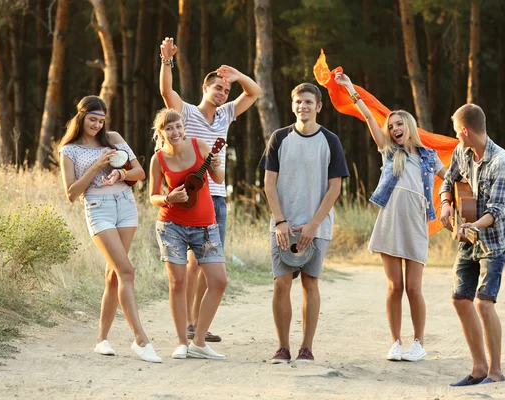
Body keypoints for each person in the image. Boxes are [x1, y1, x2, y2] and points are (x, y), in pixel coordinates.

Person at [334, 72, 447, 362]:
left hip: (416, 225)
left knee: (413, 288)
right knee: (394, 286)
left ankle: (418, 343)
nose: (394, 128)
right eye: (391, 125)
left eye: (399, 124)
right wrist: (350, 89)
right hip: (390, 222)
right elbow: (370, 118)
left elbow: (448, 179)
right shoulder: (389, 151)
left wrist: (454, 197)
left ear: (408, 126)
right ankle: (396, 342)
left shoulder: (428, 156)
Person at [159, 37, 261, 343]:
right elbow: (166, 91)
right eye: (218, 87)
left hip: (218, 197)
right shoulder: (186, 113)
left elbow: (255, 92)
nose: (223, 92)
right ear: (206, 88)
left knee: (207, 264)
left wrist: (237, 75)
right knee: (193, 263)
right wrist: (167, 60)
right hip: (192, 199)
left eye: (226, 90)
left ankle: (197, 323)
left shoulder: (227, 114)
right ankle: (189, 322)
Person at [58, 95, 161, 363]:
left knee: (114, 277)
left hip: (125, 206)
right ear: (81, 117)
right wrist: (96, 166)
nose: (97, 125)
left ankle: (102, 340)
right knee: (126, 270)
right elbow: (71, 193)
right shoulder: (68, 150)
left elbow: (139, 172)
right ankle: (141, 339)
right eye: (93, 119)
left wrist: (120, 174)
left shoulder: (113, 137)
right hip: (97, 208)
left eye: (101, 120)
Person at [259, 83, 349, 364]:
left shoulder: (331, 140)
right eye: (298, 101)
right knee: (281, 284)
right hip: (284, 225)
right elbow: (269, 184)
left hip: (316, 227)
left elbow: (334, 188)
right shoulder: (279, 138)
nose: (303, 106)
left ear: (318, 106)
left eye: (309, 102)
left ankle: (306, 348)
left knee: (310, 283)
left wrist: (313, 225)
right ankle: (283, 348)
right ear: (292, 105)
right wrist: (281, 221)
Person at [440, 104, 505, 386]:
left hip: (496, 240)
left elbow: (496, 212)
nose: (456, 137)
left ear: (465, 130)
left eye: (455, 132)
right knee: (460, 300)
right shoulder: (463, 151)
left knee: (484, 304)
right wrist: (447, 204)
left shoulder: (502, 163)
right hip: (469, 234)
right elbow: (449, 180)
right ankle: (478, 369)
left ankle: (496, 373)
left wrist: (472, 224)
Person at [149, 108, 228, 360]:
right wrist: (168, 197)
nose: (175, 132)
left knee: (219, 281)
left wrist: (216, 165)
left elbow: (217, 177)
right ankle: (182, 342)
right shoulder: (158, 159)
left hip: (205, 226)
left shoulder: (200, 145)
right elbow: (152, 196)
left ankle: (199, 342)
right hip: (171, 225)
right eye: (169, 128)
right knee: (178, 283)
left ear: (184, 128)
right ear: (161, 132)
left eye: (178, 126)